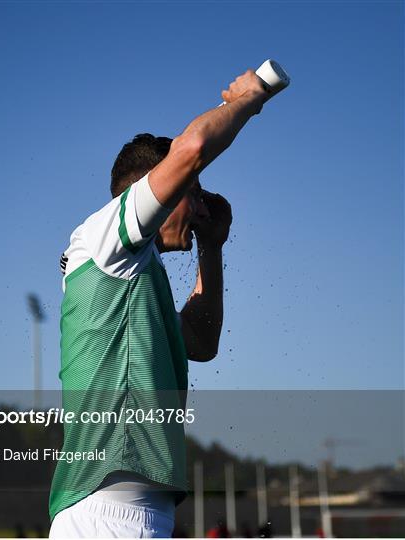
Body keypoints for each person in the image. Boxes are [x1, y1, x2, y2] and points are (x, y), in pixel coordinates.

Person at [49, 69, 271, 538]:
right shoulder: (105, 240)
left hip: (141, 516)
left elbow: (202, 340)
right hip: (103, 516)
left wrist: (213, 247)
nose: (204, 208)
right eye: (193, 194)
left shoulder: (133, 283)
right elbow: (190, 150)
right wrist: (250, 99)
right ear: (157, 191)